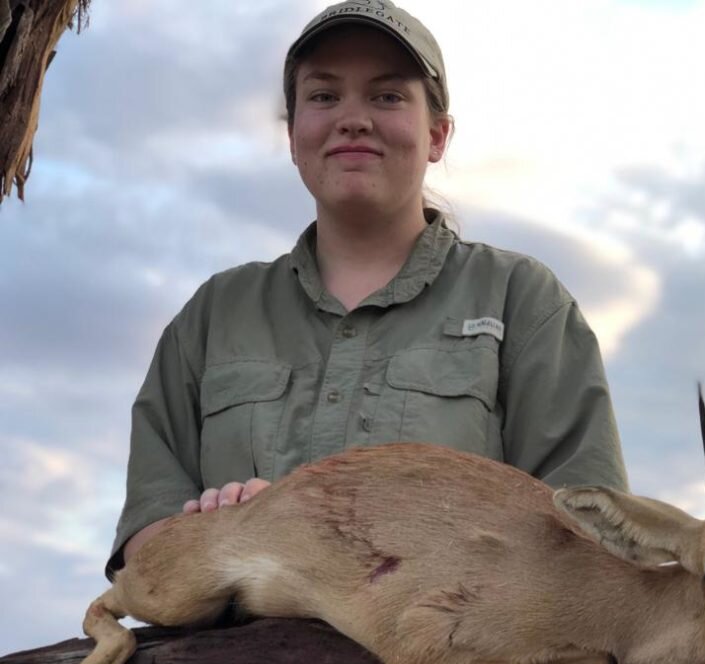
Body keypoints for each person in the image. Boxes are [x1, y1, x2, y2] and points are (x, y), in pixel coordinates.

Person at [107, 0, 628, 580]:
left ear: (437, 135)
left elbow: (592, 539)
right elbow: (147, 543)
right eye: (324, 96)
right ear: (294, 134)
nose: (352, 118)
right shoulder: (213, 315)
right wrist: (230, 531)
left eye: (386, 96)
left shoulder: (524, 300)